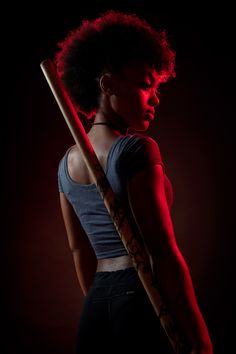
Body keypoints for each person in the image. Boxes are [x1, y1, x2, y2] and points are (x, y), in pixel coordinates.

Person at [54, 10, 213, 354]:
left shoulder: (64, 166)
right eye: (145, 84)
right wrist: (200, 339)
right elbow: (162, 253)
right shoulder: (136, 150)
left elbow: (80, 252)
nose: (155, 97)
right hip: (142, 300)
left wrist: (106, 305)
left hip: (95, 308)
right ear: (108, 84)